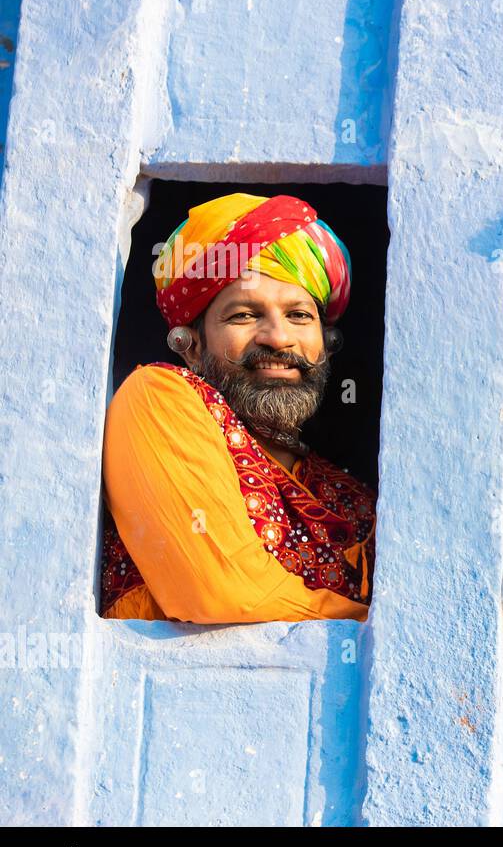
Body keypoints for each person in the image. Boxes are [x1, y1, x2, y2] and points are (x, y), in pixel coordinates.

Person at [100, 192, 376, 623]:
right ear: (189, 345)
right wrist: (379, 626)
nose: (278, 338)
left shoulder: (353, 499)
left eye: (300, 316)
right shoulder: (157, 397)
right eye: (245, 315)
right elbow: (223, 591)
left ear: (327, 342)